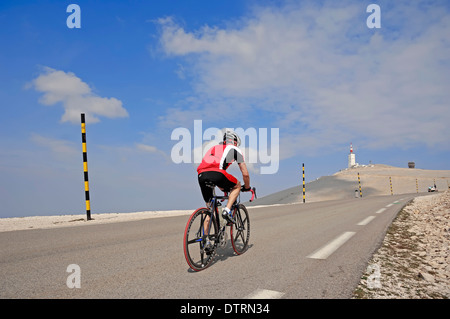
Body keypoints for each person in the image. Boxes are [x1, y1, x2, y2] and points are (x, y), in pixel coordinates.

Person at [197, 130, 251, 225]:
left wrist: (223, 187)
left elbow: (212, 170)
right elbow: (245, 174)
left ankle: (206, 238)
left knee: (210, 210)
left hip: (201, 175)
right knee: (237, 185)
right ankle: (227, 210)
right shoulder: (235, 149)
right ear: (234, 142)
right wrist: (247, 187)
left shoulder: (214, 148)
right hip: (217, 173)